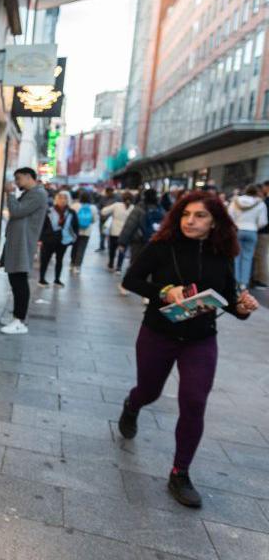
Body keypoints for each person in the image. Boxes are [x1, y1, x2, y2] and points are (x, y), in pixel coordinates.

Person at [119, 191, 259, 508]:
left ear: (214, 223)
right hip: (158, 333)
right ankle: (133, 403)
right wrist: (165, 292)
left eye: (199, 216)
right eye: (185, 214)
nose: (190, 221)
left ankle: (180, 472)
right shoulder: (162, 246)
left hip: (200, 339)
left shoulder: (222, 254)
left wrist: (243, 306)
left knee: (194, 401)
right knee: (150, 391)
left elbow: (227, 298)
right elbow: (132, 280)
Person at [0, 167, 48, 335]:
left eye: (19, 179)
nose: (17, 183)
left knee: (19, 280)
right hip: (18, 242)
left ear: (29, 177)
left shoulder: (38, 194)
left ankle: (19, 320)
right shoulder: (32, 193)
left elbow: (17, 211)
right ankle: (16, 317)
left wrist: (10, 194)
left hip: (23, 243)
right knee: (15, 280)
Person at [227, 184, 268, 290]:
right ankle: (243, 283)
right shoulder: (260, 203)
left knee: (235, 256)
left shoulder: (235, 201)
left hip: (237, 230)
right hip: (252, 231)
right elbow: (263, 221)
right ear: (256, 192)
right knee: (247, 257)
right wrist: (254, 226)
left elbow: (229, 216)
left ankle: (234, 280)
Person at [38, 190, 79, 287]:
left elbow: (75, 226)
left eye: (65, 198)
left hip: (63, 240)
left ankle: (57, 279)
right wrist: (40, 239)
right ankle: (42, 279)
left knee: (60, 260)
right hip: (49, 239)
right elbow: (42, 225)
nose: (62, 200)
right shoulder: (49, 211)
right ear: (56, 199)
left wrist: (73, 239)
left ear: (68, 200)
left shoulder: (71, 212)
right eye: (60, 198)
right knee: (45, 260)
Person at [102, 191, 133, 272]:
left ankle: (111, 263)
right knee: (122, 250)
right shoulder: (133, 208)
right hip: (126, 233)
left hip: (114, 232)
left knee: (112, 249)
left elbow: (103, 211)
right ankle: (119, 268)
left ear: (122, 198)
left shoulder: (116, 205)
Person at [70, 190, 99, 274]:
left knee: (74, 247)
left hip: (75, 230)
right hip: (86, 232)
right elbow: (94, 220)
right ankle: (77, 266)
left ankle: (72, 263)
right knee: (81, 248)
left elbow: (71, 218)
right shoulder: (93, 207)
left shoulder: (75, 205)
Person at [253, 181, 269, 289]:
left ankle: (262, 281)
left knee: (261, 256)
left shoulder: (266, 201)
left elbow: (264, 219)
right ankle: (258, 278)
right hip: (264, 232)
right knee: (260, 255)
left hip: (264, 232)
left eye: (264, 187)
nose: (263, 189)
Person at [96, 188, 116, 252]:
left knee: (110, 234)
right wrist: (101, 214)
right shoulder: (102, 198)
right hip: (103, 219)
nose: (110, 193)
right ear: (106, 192)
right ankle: (101, 246)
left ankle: (110, 246)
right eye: (109, 192)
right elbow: (99, 207)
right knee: (102, 233)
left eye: (111, 192)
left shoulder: (116, 199)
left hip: (111, 220)